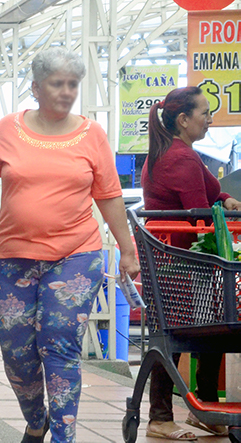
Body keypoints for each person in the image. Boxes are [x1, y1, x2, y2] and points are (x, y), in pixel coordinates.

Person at [0, 47, 140, 443]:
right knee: (18, 354)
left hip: (76, 256)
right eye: (58, 83)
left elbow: (109, 195)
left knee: (60, 347)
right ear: (36, 87)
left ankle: (62, 438)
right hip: (12, 257)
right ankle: (36, 421)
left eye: (73, 84)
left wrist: (127, 249)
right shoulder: (8, 128)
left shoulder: (92, 135)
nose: (67, 91)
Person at [140, 86, 238, 440]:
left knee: (198, 329)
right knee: (181, 335)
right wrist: (220, 211)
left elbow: (213, 194)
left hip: (171, 262)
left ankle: (203, 409)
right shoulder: (181, 158)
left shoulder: (171, 152)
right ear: (183, 120)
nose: (210, 120)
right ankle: (161, 417)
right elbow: (201, 217)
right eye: (204, 113)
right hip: (180, 265)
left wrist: (226, 200)